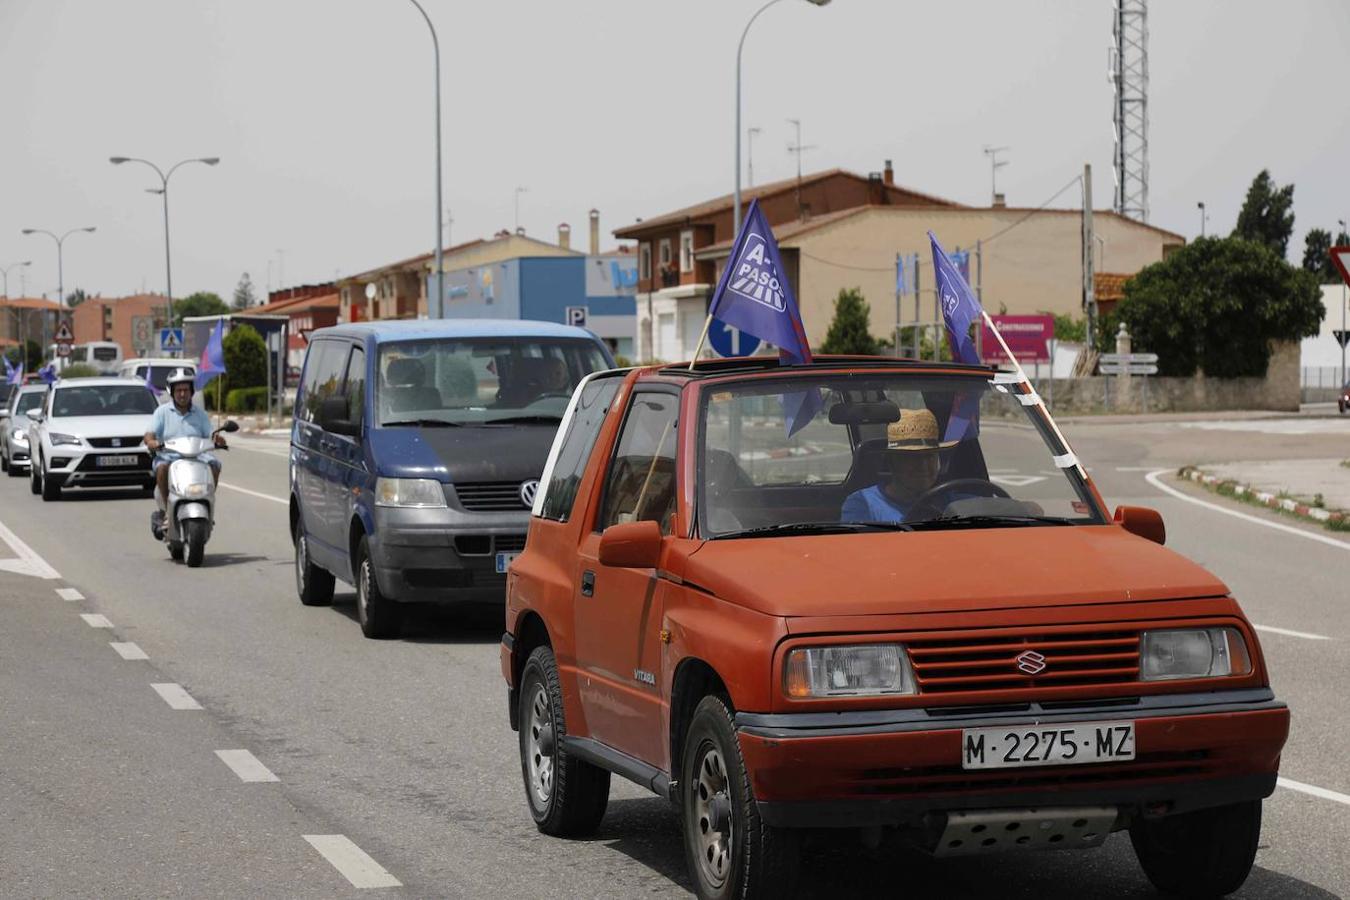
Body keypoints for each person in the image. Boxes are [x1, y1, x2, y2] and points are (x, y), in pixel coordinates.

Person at [143, 368, 227, 536]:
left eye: (186, 390)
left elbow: (210, 434)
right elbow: (149, 435)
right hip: (169, 456)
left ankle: (206, 501)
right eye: (179, 390)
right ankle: (167, 510)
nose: (182, 394)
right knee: (161, 468)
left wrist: (217, 439)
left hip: (197, 456)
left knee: (215, 464)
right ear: (172, 391)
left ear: (191, 391)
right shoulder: (162, 412)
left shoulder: (200, 414)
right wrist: (152, 442)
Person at [840, 407, 953, 525]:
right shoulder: (863, 504)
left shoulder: (954, 502)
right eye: (913, 457)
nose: (924, 466)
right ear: (892, 461)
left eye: (929, 456)